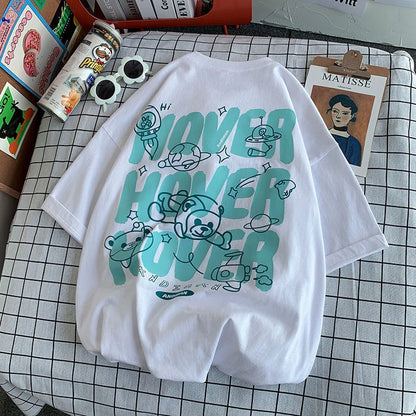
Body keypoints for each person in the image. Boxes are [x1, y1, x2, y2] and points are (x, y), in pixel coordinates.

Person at [327, 94, 362, 166]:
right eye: (335, 111)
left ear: (352, 116)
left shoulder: (354, 144)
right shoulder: (322, 135)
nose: (338, 116)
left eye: (345, 113)